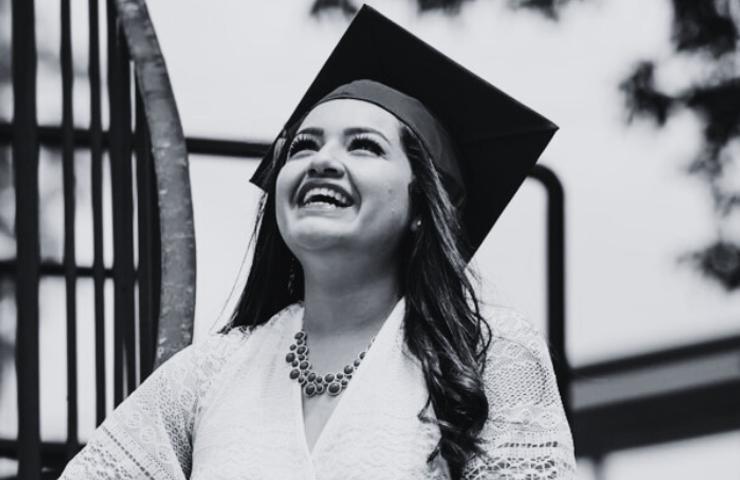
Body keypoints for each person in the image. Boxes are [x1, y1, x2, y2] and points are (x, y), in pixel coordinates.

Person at [59, 5, 575, 480]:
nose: (321, 161)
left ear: (423, 206)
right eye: (303, 146)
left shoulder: (488, 357)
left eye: (364, 147)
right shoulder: (208, 374)